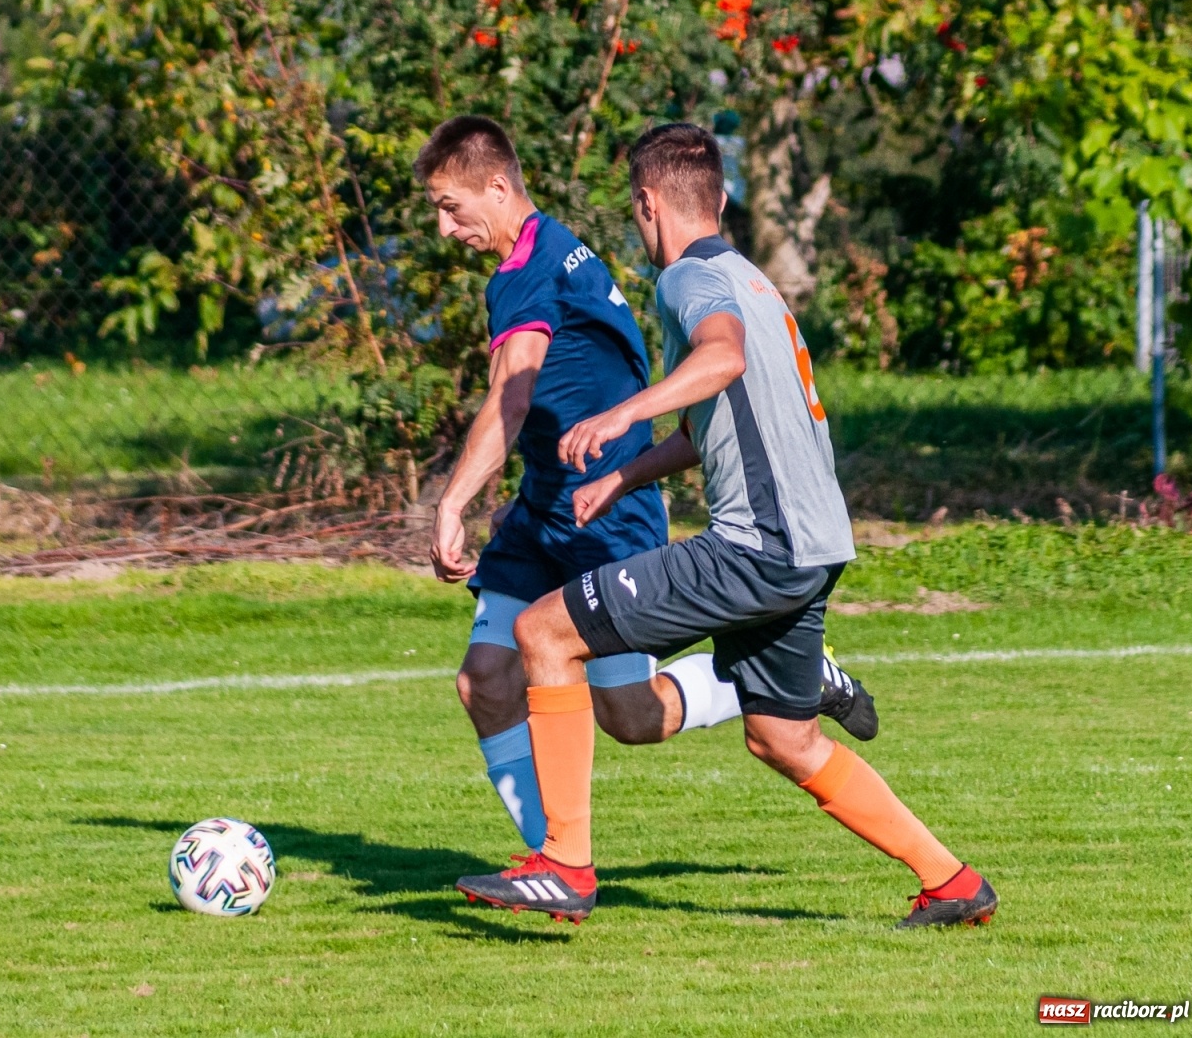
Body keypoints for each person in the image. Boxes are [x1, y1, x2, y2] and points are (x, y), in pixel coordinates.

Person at [455, 122, 994, 930]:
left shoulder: (687, 281)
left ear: (647, 203)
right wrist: (625, 472)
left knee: (543, 634)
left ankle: (564, 865)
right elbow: (711, 420)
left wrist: (621, 412)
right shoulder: (750, 276)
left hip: (755, 547)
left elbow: (722, 358)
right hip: (813, 549)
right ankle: (952, 881)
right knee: (784, 739)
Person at [415, 116, 878, 857]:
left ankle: (777, 679)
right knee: (484, 682)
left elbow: (512, 395)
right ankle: (556, 859)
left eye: (449, 206)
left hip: (605, 516)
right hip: (548, 506)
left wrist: (451, 503)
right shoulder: (547, 253)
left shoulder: (535, 269)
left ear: (497, 188)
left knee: (629, 716)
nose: (445, 228)